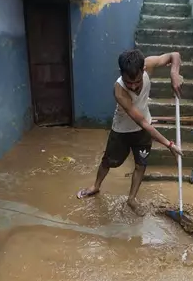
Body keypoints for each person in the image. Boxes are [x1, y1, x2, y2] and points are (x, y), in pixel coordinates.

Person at [76, 49, 184, 214]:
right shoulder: (119, 91)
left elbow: (174, 55)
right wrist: (169, 144)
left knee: (141, 164)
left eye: (137, 81)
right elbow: (140, 122)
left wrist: (174, 73)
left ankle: (131, 198)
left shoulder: (149, 64)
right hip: (122, 131)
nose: (133, 86)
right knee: (109, 161)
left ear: (143, 70)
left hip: (143, 130)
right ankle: (96, 186)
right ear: (121, 74)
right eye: (128, 82)